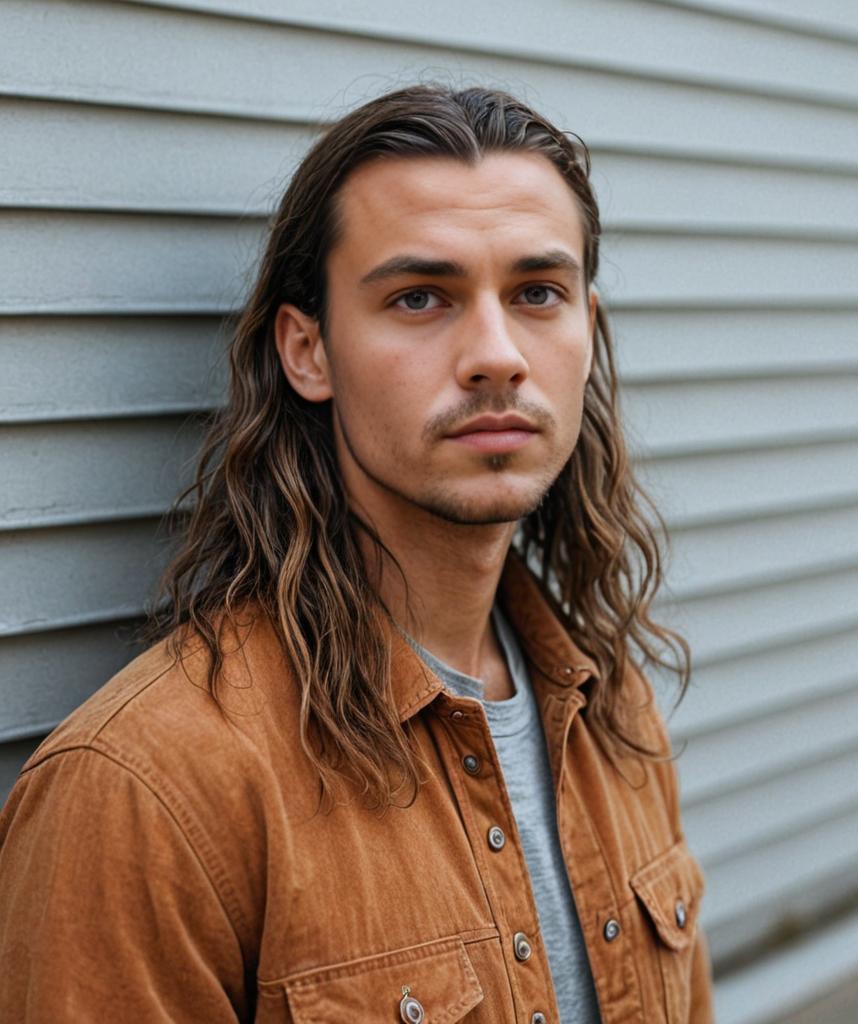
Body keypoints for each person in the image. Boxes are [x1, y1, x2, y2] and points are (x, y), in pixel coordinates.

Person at [0, 84, 715, 1023]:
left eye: (538, 292)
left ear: (588, 328)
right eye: (422, 297)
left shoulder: (609, 709)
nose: (496, 354)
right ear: (308, 352)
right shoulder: (150, 792)